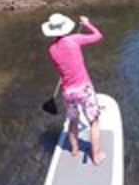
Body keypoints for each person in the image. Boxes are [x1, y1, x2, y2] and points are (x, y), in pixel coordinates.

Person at [42, 13, 106, 165]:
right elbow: (98, 36)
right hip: (84, 90)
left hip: (68, 93)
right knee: (94, 122)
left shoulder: (51, 49)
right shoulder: (74, 39)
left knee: (73, 122)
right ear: (65, 27)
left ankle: (75, 150)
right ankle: (96, 156)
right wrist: (87, 23)